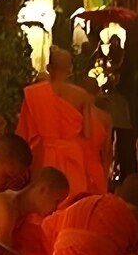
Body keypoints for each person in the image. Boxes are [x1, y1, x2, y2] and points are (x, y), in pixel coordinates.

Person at [16, 47, 92, 195]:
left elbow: (22, 135)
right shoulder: (82, 96)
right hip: (72, 156)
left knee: (44, 203)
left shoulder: (34, 94)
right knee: (71, 204)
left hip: (44, 155)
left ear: (49, 68)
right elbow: (87, 133)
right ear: (70, 68)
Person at [79, 77, 113, 194]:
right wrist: (105, 175)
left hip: (76, 164)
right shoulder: (105, 117)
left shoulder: (74, 114)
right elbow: (107, 151)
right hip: (96, 167)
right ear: (98, 92)